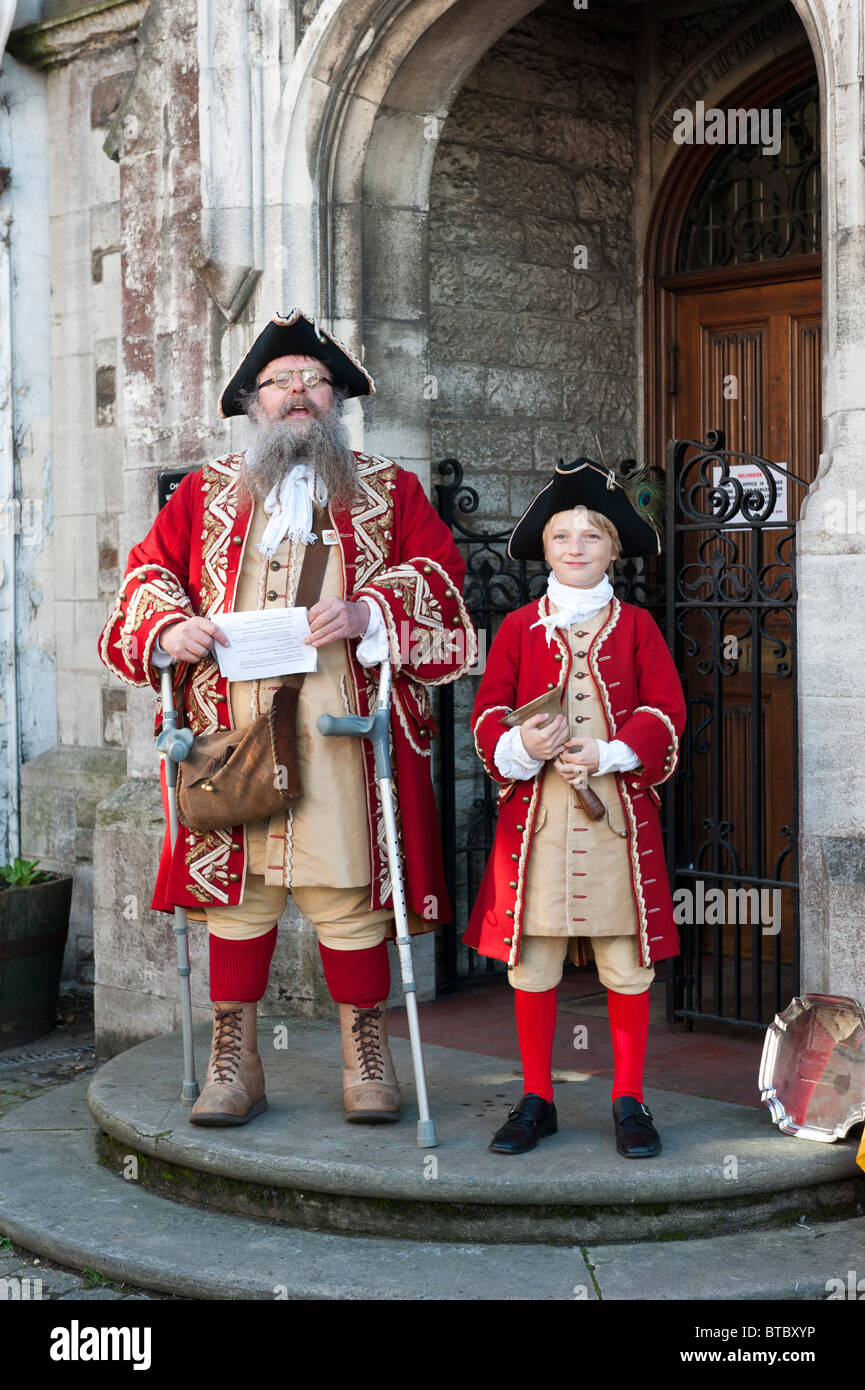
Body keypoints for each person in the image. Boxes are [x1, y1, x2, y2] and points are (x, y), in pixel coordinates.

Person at [98, 308, 476, 1128]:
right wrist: (169, 624)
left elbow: (442, 587)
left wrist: (369, 611)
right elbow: (143, 577)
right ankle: (236, 1062)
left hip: (343, 733)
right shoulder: (202, 492)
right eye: (280, 382)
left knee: (348, 894)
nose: (297, 392)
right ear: (252, 402)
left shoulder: (390, 490)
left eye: (313, 380)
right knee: (239, 897)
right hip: (227, 730)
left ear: (336, 400)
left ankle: (363, 1055)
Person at [465, 458, 686, 1158]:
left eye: (591, 536)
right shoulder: (517, 629)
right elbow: (487, 714)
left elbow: (665, 711)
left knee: (626, 963)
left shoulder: (639, 628)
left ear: (612, 550)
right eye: (563, 536)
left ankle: (628, 1098)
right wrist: (521, 742)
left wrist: (608, 754)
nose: (576, 547)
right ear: (546, 549)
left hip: (618, 825)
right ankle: (536, 1097)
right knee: (532, 963)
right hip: (537, 827)